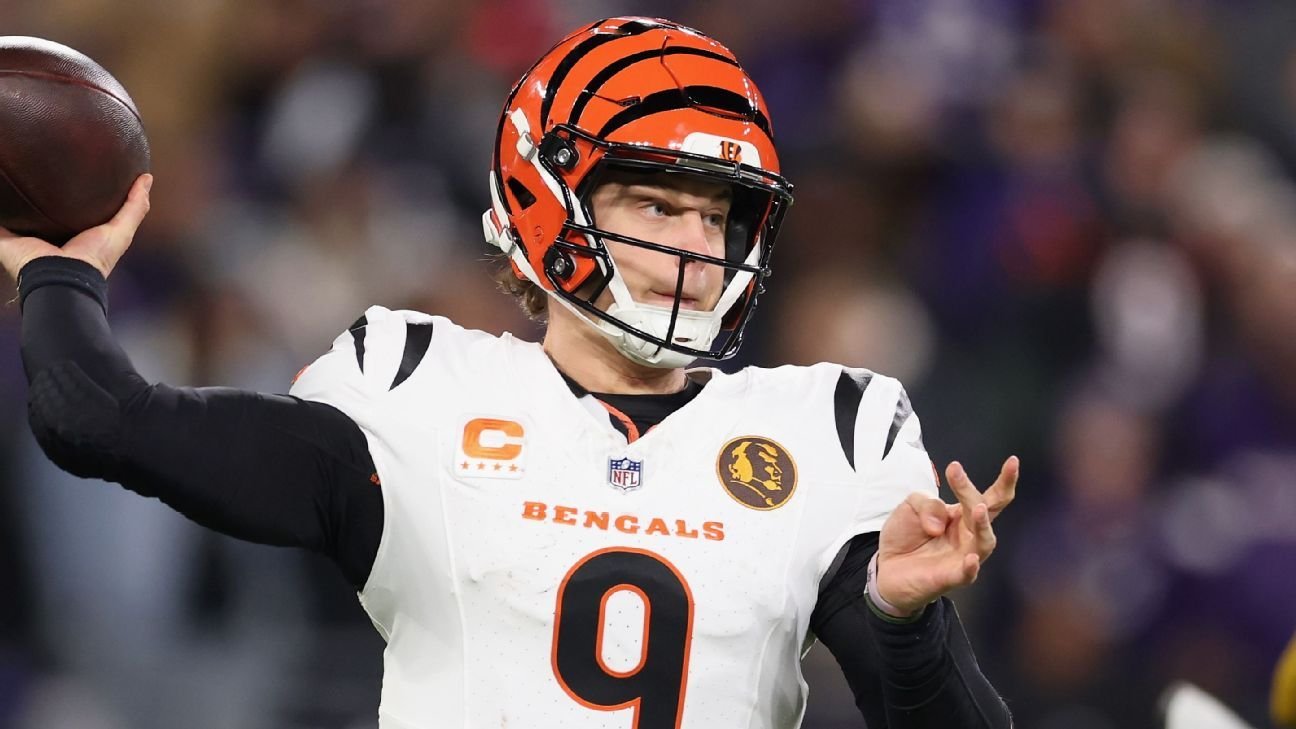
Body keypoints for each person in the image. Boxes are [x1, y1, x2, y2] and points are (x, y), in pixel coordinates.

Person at [3, 16, 1017, 728]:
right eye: (658, 207)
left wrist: (906, 621)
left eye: (718, 216)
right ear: (547, 204)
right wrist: (62, 272)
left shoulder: (824, 429)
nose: (699, 248)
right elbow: (101, 419)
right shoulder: (416, 391)